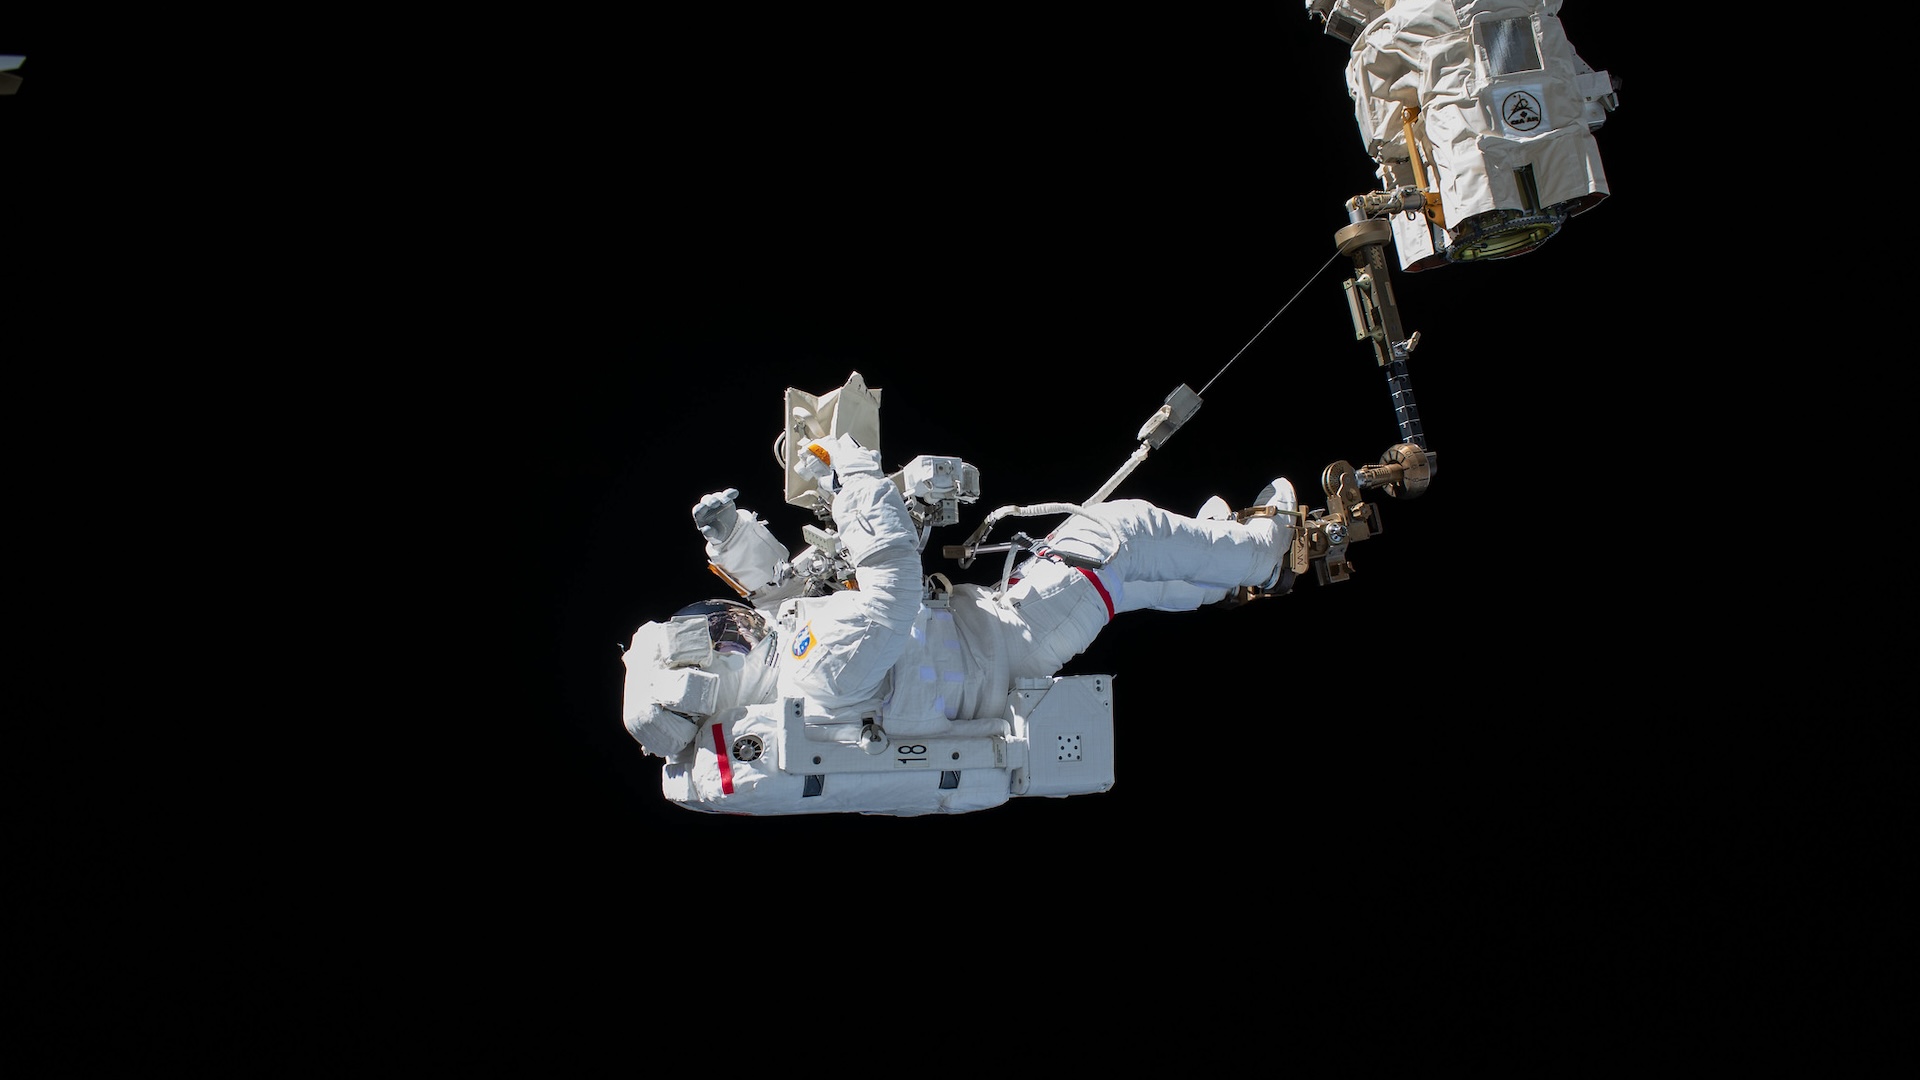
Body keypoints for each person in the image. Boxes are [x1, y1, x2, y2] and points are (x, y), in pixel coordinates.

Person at [621, 431, 1299, 815]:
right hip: (1008, 644)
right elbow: (890, 589)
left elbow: (780, 591)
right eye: (712, 641)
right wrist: (855, 479)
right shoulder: (813, 665)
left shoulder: (786, 676)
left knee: (1124, 584)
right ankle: (1259, 549)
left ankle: (1229, 573)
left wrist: (730, 535)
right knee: (1123, 534)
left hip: (988, 640)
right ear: (713, 680)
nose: (728, 626)